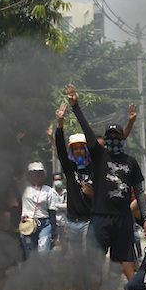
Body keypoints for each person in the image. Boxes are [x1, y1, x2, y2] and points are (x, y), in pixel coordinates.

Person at [69, 84, 146, 282]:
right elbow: (88, 132)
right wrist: (76, 106)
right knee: (95, 260)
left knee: (118, 261)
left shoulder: (130, 161)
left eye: (118, 138)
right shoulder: (99, 156)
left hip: (123, 219)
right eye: (110, 138)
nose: (114, 141)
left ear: (122, 140)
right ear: (105, 141)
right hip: (101, 217)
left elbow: (139, 192)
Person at [54, 103, 94, 257]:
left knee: (88, 254)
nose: (78, 151)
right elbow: (60, 149)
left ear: (86, 150)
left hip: (88, 221)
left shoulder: (94, 169)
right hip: (71, 221)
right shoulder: (70, 168)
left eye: (81, 148)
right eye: (75, 148)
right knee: (76, 257)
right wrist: (60, 123)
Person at [19, 162, 57, 260]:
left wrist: (53, 230)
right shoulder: (24, 189)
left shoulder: (48, 190)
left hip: (44, 224)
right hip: (28, 225)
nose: (36, 175)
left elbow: (52, 211)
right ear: (29, 175)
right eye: (33, 172)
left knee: (43, 252)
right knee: (30, 252)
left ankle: (44, 274)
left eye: (39, 172)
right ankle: (32, 274)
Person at [51, 172, 68, 255]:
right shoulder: (50, 192)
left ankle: (62, 260)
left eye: (59, 179)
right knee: (52, 241)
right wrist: (62, 206)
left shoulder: (66, 193)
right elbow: (51, 207)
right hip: (53, 222)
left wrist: (57, 206)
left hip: (63, 222)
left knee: (64, 243)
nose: (58, 181)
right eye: (56, 180)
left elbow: (68, 206)